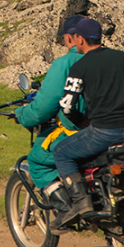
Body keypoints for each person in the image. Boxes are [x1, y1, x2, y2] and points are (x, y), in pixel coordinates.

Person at [51, 17, 124, 229]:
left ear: (80, 40)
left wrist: (81, 121)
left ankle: (80, 202)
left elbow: (67, 106)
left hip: (105, 131)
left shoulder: (79, 66)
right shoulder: (123, 58)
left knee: (61, 152)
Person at [12, 15, 88, 211]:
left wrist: (21, 115)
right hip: (120, 127)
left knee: (38, 159)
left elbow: (43, 108)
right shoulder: (111, 58)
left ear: (71, 38)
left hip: (81, 130)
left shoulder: (65, 63)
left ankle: (67, 210)